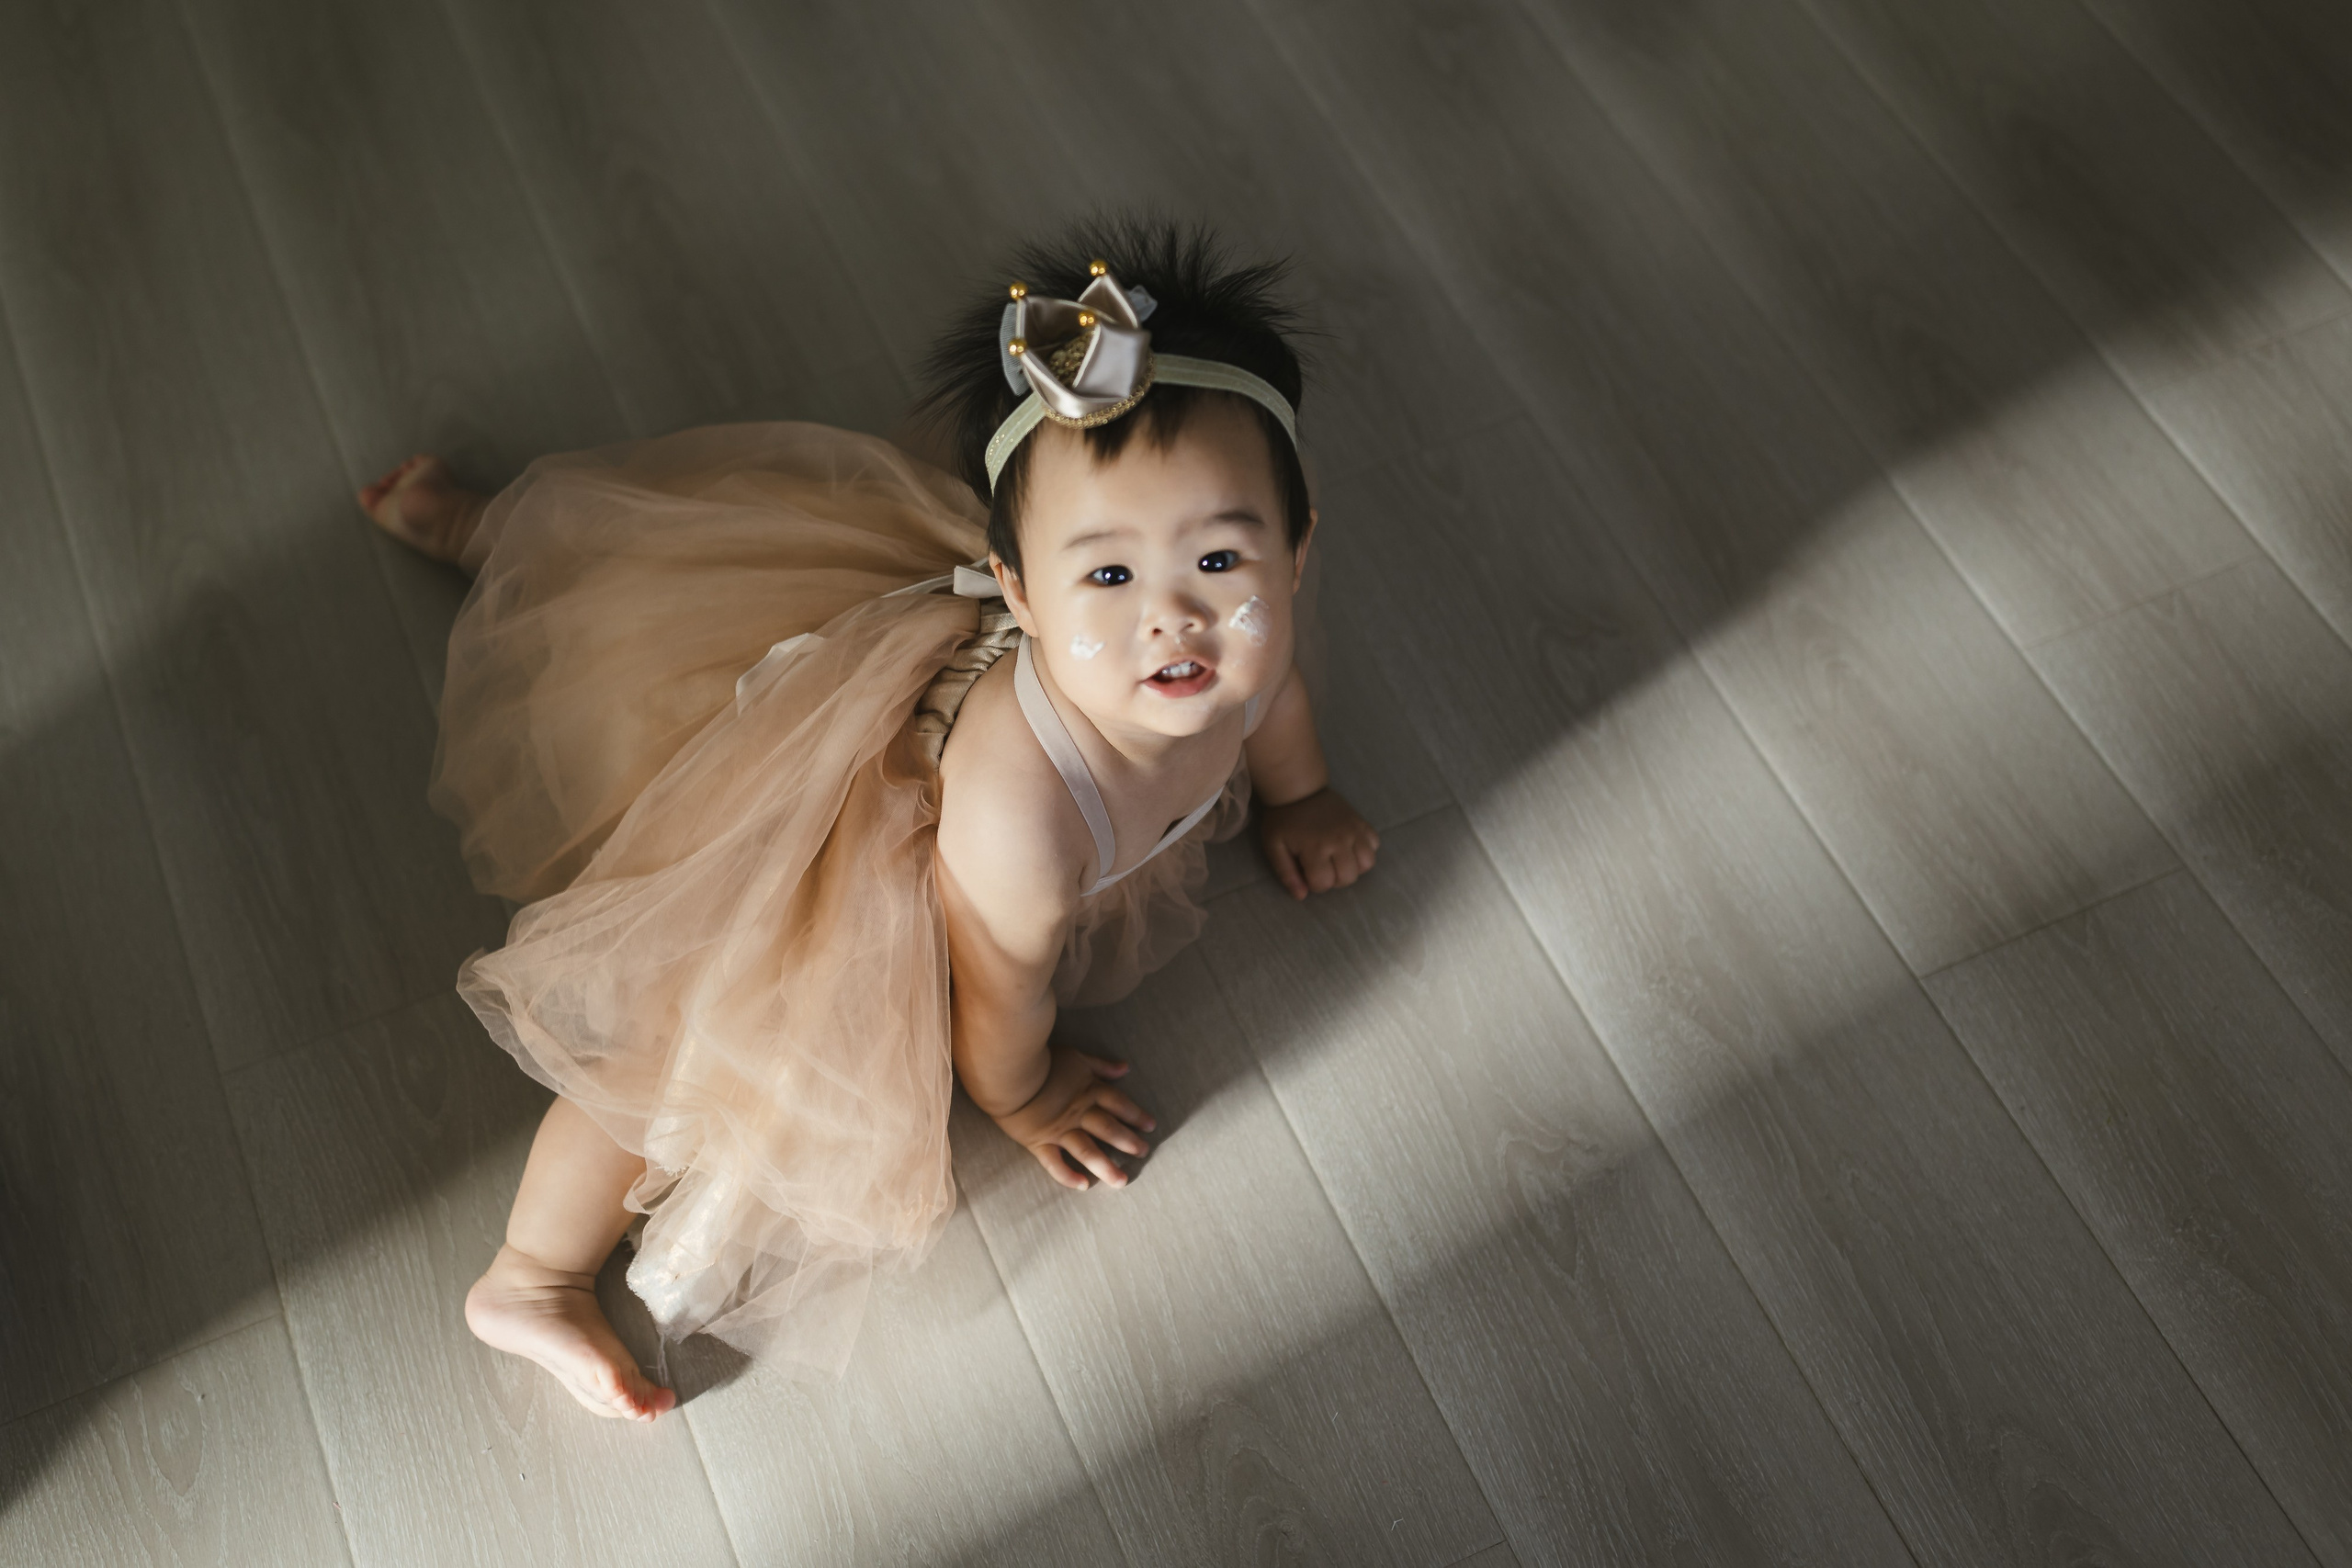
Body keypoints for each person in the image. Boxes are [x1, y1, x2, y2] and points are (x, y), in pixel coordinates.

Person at [359, 220, 1379, 1422]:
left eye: (1219, 560)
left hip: (934, 713)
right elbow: (1001, 987)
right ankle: (530, 1274)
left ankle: (488, 533)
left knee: (625, 608)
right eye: (1107, 576)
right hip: (839, 832)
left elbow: (1273, 704)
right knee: (676, 1041)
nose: (1176, 621)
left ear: (1296, 553)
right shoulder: (1025, 820)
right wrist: (1025, 1092)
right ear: (1022, 593)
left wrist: (1301, 793)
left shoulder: (1238, 662)